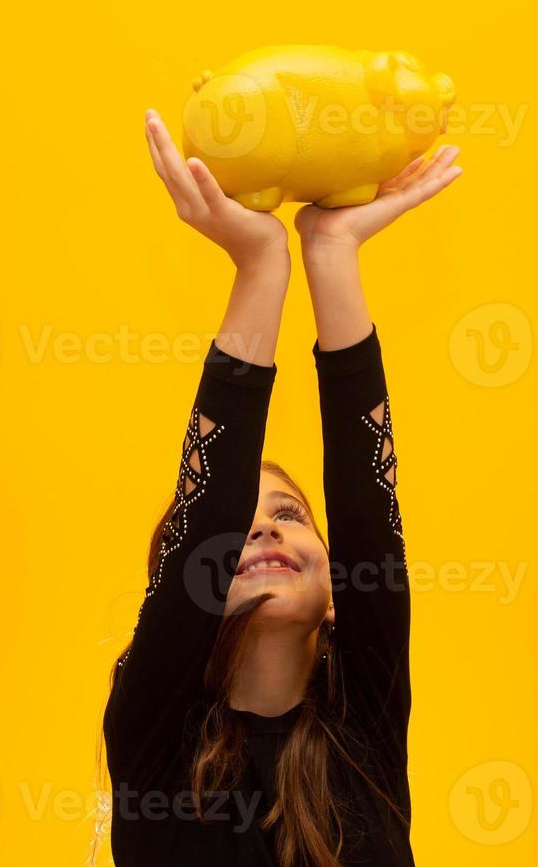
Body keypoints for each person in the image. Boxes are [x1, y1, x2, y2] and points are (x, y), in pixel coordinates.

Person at [100, 109, 463, 866]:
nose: (263, 530)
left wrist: (332, 253)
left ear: (338, 590)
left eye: (292, 514)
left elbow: (369, 511)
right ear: (189, 587)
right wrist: (261, 267)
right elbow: (210, 513)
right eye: (246, 518)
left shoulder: (364, 725)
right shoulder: (152, 736)